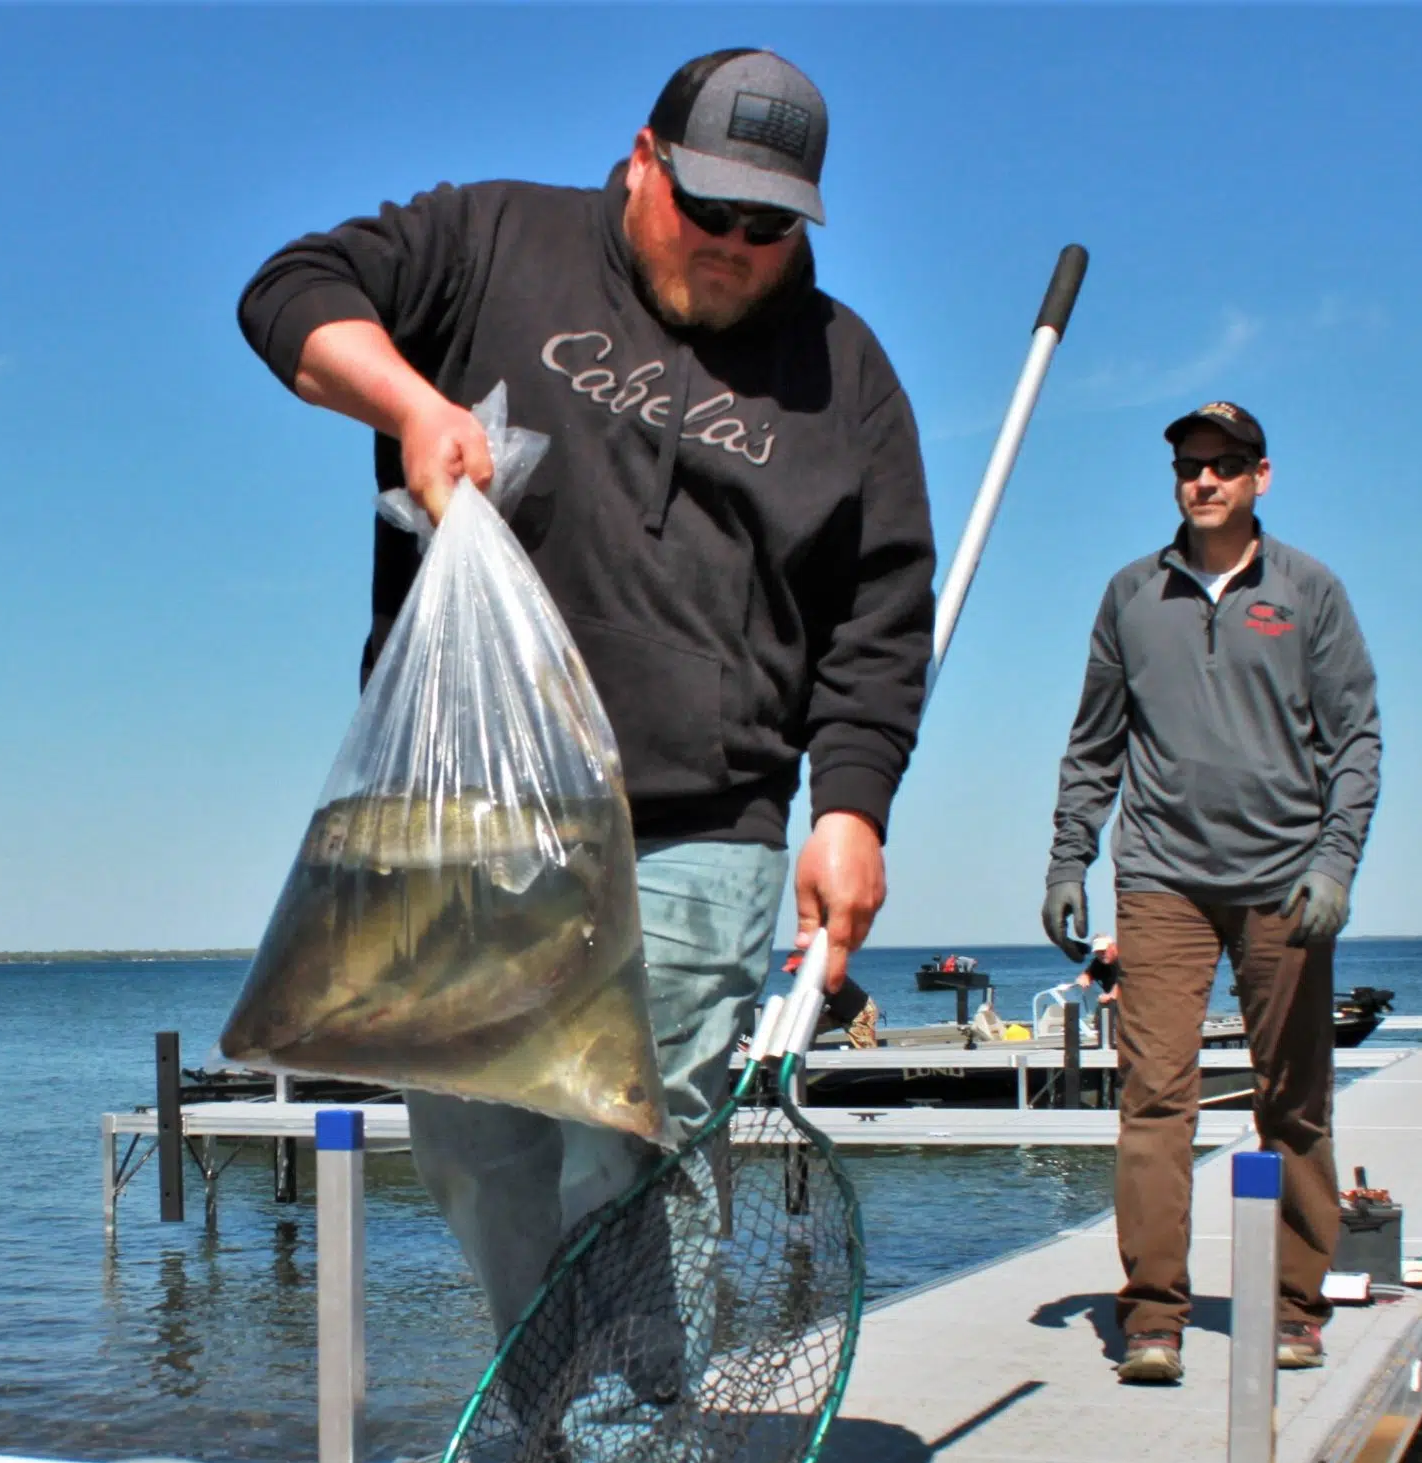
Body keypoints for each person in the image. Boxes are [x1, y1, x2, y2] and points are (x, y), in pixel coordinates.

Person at [237, 49, 936, 1357]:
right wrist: (409, 401)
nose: (732, 246)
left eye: (768, 226)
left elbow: (880, 623)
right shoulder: (495, 238)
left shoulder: (848, 378)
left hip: (699, 822)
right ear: (641, 158)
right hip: (465, 811)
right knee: (474, 1139)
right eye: (707, 208)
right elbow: (287, 294)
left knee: (636, 1139)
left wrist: (853, 809)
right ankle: (547, 1400)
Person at [1041, 402, 1382, 1385]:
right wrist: (1068, 857)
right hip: (1159, 879)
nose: (1204, 480)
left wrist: (1334, 863)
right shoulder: (1128, 596)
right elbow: (1093, 741)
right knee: (1153, 1100)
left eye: (1224, 464)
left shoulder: (1310, 592)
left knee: (1294, 1102)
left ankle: (1293, 1306)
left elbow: (1354, 739)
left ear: (1259, 475)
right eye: (1189, 465)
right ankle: (1151, 1313)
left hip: (1285, 881)